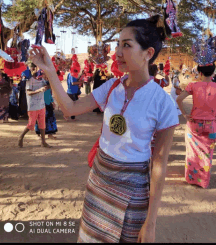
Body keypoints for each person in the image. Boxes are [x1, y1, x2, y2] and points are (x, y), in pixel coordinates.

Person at [29, 14, 179, 243]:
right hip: (99, 182)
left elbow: (159, 166)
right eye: (117, 44)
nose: (117, 52)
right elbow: (69, 108)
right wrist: (50, 70)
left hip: (133, 193)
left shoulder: (163, 103)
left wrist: (150, 224)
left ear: (148, 53)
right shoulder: (111, 87)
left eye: (126, 45)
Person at [177, 63, 216, 189]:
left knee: (193, 152)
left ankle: (192, 178)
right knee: (207, 153)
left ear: (199, 73)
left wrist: (184, 114)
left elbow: (179, 99)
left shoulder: (193, 85)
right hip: (211, 125)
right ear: (213, 72)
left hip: (194, 125)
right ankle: (204, 181)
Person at [17, 63, 51, 148]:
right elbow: (28, 92)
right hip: (32, 106)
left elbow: (47, 86)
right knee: (31, 124)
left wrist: (49, 85)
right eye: (32, 68)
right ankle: (21, 137)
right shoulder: (29, 80)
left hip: (41, 105)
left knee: (42, 124)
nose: (33, 70)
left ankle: (43, 142)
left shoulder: (41, 79)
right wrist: (39, 90)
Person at [35, 72, 58, 139]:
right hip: (41, 103)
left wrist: (52, 102)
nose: (46, 76)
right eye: (44, 74)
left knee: (50, 119)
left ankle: (50, 134)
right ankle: (39, 134)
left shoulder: (49, 82)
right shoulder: (39, 83)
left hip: (48, 103)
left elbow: (49, 94)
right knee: (40, 119)